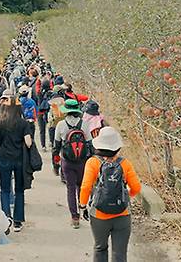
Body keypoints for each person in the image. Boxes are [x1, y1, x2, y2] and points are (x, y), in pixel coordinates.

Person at [79, 127, 142, 262]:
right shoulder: (125, 164)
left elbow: (85, 187)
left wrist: (83, 206)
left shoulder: (92, 162)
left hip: (99, 215)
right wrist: (125, 196)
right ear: (117, 147)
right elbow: (136, 187)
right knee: (119, 254)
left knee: (100, 248)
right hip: (122, 214)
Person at [0, 96, 33, 233]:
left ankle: (6, 217)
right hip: (20, 160)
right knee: (19, 191)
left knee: (5, 189)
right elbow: (28, 143)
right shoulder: (23, 123)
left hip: (4, 159)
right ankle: (17, 222)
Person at [53, 99, 93, 229]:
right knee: (81, 186)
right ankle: (84, 208)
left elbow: (56, 146)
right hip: (82, 161)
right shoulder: (85, 124)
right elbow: (90, 144)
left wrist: (56, 164)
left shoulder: (61, 125)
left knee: (70, 188)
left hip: (67, 161)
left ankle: (75, 217)